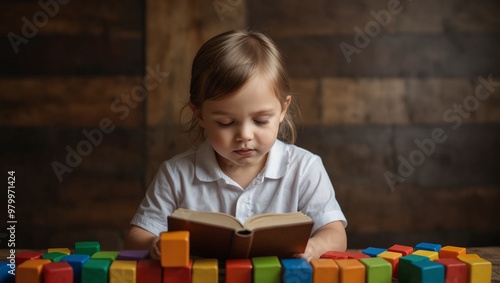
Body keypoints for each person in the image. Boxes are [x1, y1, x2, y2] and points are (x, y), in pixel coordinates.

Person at [124, 29, 347, 261]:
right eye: (226, 122)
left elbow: (335, 233)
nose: (244, 135)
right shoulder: (176, 174)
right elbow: (136, 237)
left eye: (261, 120)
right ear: (199, 115)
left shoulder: (305, 168)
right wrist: (155, 244)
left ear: (282, 109)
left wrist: (313, 248)